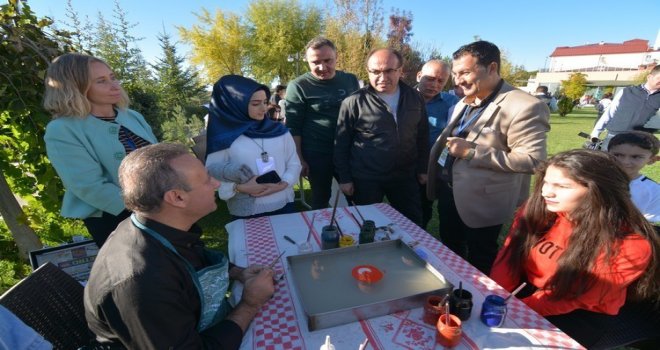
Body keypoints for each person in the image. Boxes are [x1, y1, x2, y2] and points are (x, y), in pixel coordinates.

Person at [84, 143, 275, 349]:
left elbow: (192, 258)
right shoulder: (143, 281)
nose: (217, 184)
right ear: (177, 197)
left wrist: (238, 272)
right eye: (206, 180)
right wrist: (250, 304)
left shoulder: (157, 225)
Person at [490, 149, 660, 347]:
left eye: (562, 186)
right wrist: (497, 294)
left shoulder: (630, 245)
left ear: (599, 191)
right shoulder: (541, 209)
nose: (546, 192)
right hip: (526, 291)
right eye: (546, 181)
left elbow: (577, 297)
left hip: (578, 313)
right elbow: (510, 254)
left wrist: (518, 311)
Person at [426, 40, 550, 274]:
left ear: (492, 68)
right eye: (455, 73)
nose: (458, 80)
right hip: (449, 193)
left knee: (480, 258)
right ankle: (450, 291)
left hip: (483, 202)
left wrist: (472, 152)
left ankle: (474, 301)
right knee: (451, 250)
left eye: (465, 72)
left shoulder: (525, 106)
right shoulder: (466, 99)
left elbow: (534, 161)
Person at [43, 53, 158, 247]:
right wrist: (152, 209)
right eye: (101, 81)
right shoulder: (62, 129)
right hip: (116, 218)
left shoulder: (132, 116)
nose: (115, 85)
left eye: (113, 77)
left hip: (164, 207)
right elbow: (88, 186)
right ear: (76, 88)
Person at [335, 48, 429, 226]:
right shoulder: (353, 102)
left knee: (413, 223)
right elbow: (341, 143)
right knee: (366, 225)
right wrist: (345, 178)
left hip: (405, 176)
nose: (382, 77)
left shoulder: (415, 98)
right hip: (366, 177)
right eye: (375, 72)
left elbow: (423, 135)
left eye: (389, 71)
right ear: (368, 72)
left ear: (401, 70)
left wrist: (423, 168)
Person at [205, 75, 301, 219]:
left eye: (265, 102)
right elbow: (211, 172)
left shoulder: (279, 131)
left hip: (283, 203)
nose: (264, 108)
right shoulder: (223, 137)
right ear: (234, 104)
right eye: (255, 104)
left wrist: (283, 183)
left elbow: (294, 163)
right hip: (247, 210)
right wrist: (238, 188)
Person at [285, 37, 360, 209]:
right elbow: (293, 126)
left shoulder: (350, 80)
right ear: (307, 61)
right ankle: (323, 233)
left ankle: (357, 232)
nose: (322, 67)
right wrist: (299, 158)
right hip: (316, 153)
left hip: (349, 151)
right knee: (320, 199)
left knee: (355, 195)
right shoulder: (298, 86)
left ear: (337, 57)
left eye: (328, 61)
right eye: (315, 62)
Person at [416, 60, 459, 228]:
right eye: (430, 78)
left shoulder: (453, 103)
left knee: (424, 207)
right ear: (419, 75)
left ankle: (419, 238)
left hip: (431, 166)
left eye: (441, 81)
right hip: (402, 163)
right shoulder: (403, 96)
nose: (434, 84)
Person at [591, 65, 660, 149]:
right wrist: (596, 133)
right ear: (649, 77)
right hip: (614, 136)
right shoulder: (626, 91)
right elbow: (609, 113)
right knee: (607, 161)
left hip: (642, 140)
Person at [608, 131, 660, 224]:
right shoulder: (590, 180)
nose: (625, 162)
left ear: (652, 160)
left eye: (636, 157)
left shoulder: (653, 190)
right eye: (618, 155)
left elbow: (649, 226)